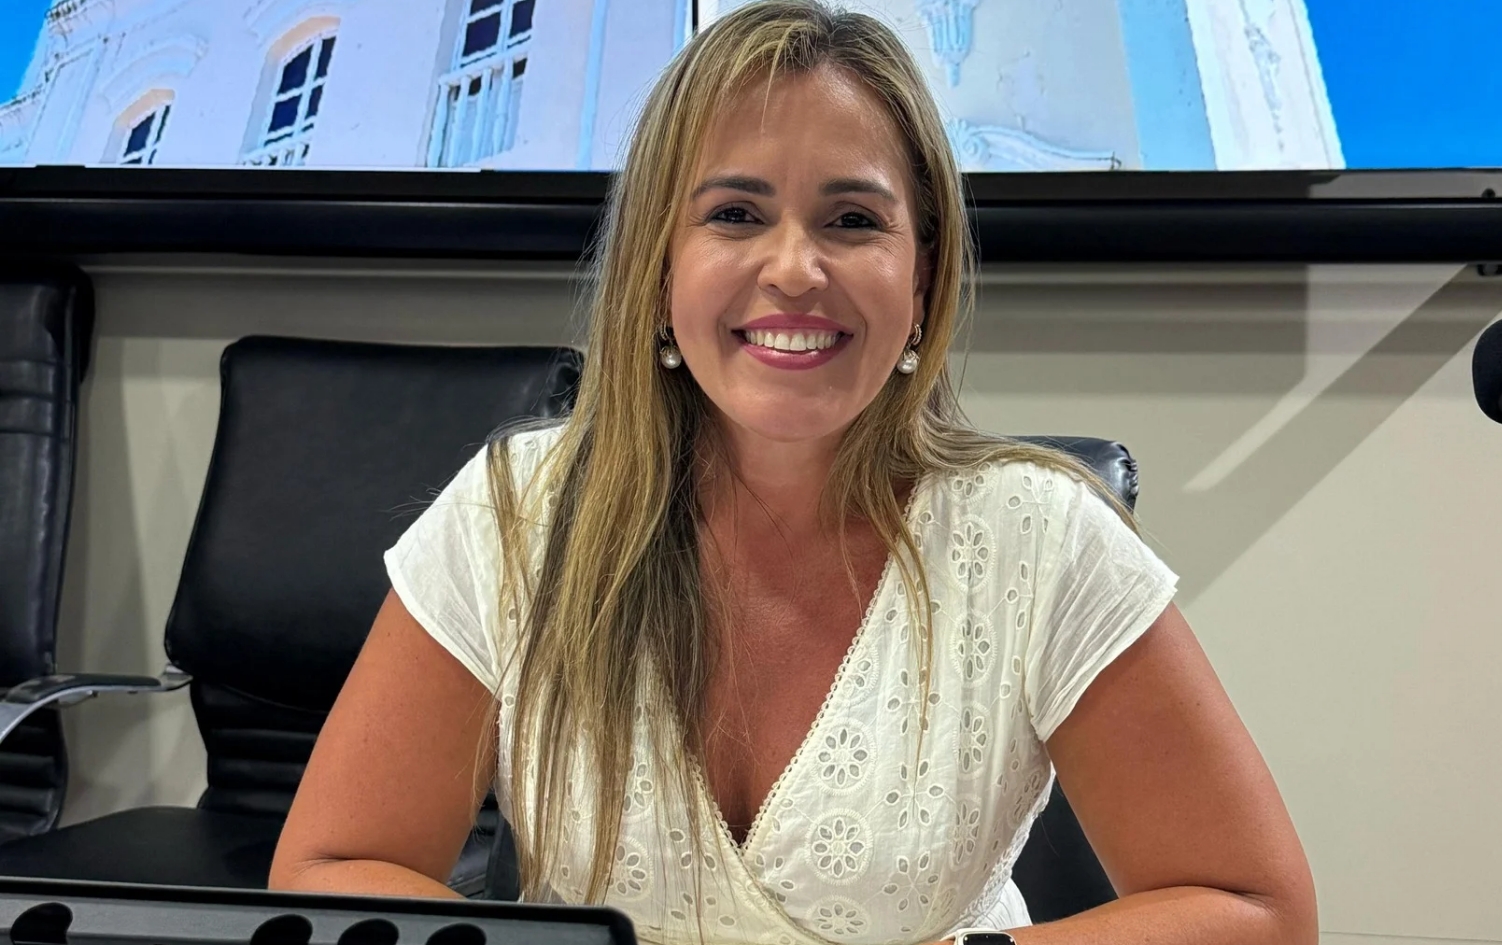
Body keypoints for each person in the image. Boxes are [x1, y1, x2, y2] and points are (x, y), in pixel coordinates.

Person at [269, 2, 1317, 943]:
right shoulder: (516, 514)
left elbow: (1254, 909)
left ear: (924, 276)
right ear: (658, 268)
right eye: (734, 214)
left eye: (853, 220)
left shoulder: (1045, 539)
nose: (794, 269)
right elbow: (335, 869)